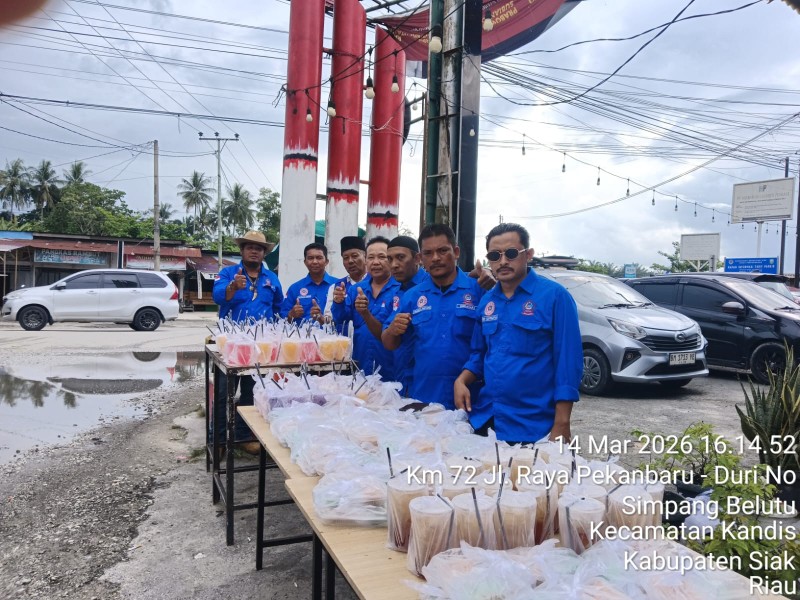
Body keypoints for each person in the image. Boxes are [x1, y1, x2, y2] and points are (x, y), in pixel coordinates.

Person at [453, 223, 583, 444]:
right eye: (495, 256)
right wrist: (461, 380)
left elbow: (568, 363)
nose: (503, 261)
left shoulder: (554, 297)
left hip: (534, 425)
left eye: (511, 253)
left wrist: (562, 423)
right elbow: (479, 353)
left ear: (528, 255)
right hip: (487, 419)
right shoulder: (487, 301)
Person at [382, 224, 483, 409]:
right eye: (428, 253)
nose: (436, 258)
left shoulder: (478, 291)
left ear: (456, 251)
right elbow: (390, 343)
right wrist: (392, 330)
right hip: (424, 398)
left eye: (443, 250)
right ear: (420, 258)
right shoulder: (412, 296)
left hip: (471, 398)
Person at [211, 230, 283, 453]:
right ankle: (219, 439)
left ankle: (243, 437)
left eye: (259, 248)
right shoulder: (227, 273)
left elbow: (279, 307)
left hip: (261, 346)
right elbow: (218, 296)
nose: (254, 251)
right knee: (224, 391)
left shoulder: (272, 279)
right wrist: (233, 287)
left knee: (253, 392)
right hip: (232, 344)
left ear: (264, 253)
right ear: (242, 250)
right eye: (249, 247)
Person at [331, 236, 399, 378]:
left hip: (391, 367)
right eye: (371, 257)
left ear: (391, 260)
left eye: (382, 257)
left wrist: (366, 313)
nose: (375, 262)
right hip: (361, 365)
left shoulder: (400, 290)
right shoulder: (356, 289)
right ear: (366, 260)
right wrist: (338, 302)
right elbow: (341, 318)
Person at [385, 236, 428, 394]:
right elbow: (388, 339)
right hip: (403, 377)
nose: (394, 265)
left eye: (400, 258)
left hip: (428, 380)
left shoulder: (432, 285)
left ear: (417, 258)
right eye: (390, 259)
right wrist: (392, 329)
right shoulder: (396, 292)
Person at [280, 242, 337, 323]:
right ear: (305, 262)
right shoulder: (295, 288)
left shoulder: (338, 285)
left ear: (326, 261)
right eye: (310, 258)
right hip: (301, 335)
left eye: (319, 258)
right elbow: (282, 317)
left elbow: (345, 315)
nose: (314, 262)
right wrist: (291, 314)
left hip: (332, 335)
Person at [324, 236, 367, 325]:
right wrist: (338, 303)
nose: (350, 261)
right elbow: (329, 320)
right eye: (346, 258)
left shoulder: (375, 283)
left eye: (355, 256)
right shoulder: (336, 287)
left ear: (365, 257)